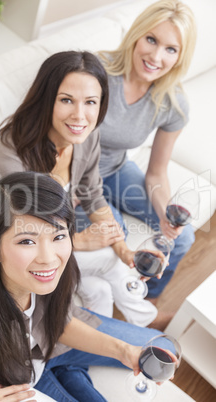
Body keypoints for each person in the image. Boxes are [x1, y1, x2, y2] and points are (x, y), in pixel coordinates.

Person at [0, 50, 168, 328]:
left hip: (47, 234)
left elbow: (92, 193)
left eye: (90, 102)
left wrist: (125, 250)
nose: (80, 115)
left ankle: (90, 352)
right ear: (46, 101)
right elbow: (7, 241)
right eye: (66, 100)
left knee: (100, 291)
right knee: (107, 261)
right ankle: (145, 322)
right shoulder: (9, 162)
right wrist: (80, 242)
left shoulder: (86, 136)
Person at [0, 171, 164, 402]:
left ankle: (66, 371)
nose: (49, 258)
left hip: (46, 351)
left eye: (58, 236)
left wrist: (124, 351)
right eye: (27, 241)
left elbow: (58, 322)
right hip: (13, 380)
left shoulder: (51, 275)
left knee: (158, 348)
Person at [96, 0, 196, 301]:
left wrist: (165, 213)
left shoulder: (172, 103)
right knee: (117, 234)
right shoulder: (96, 71)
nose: (155, 56)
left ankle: (144, 299)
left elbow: (156, 172)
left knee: (183, 237)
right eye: (151, 39)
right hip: (75, 175)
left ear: (180, 56)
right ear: (137, 35)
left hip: (114, 169)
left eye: (170, 48)